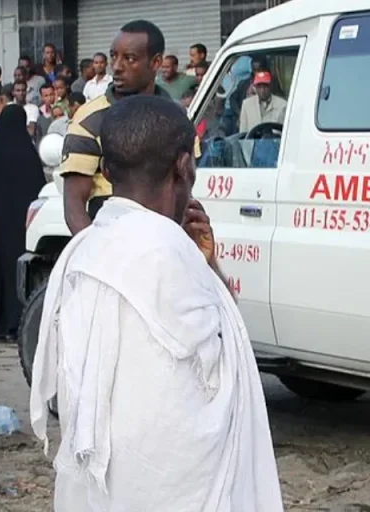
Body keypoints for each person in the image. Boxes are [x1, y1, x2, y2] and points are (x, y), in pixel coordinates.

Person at [30, 94, 282, 511]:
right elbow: (222, 359)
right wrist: (209, 268)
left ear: (106, 171)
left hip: (102, 488)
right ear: (183, 166)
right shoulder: (169, 253)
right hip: (171, 490)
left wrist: (202, 263)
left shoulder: (84, 249)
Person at [62, 20, 178, 234]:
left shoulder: (178, 117)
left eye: (129, 58)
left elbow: (185, 187)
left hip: (165, 243)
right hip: (108, 243)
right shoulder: (88, 119)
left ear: (156, 62)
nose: (116, 66)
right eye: (113, 56)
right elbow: (74, 206)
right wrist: (99, 248)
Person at [0, 104, 46, 339]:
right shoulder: (27, 152)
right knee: (16, 272)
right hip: (18, 227)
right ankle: (16, 322)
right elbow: (38, 187)